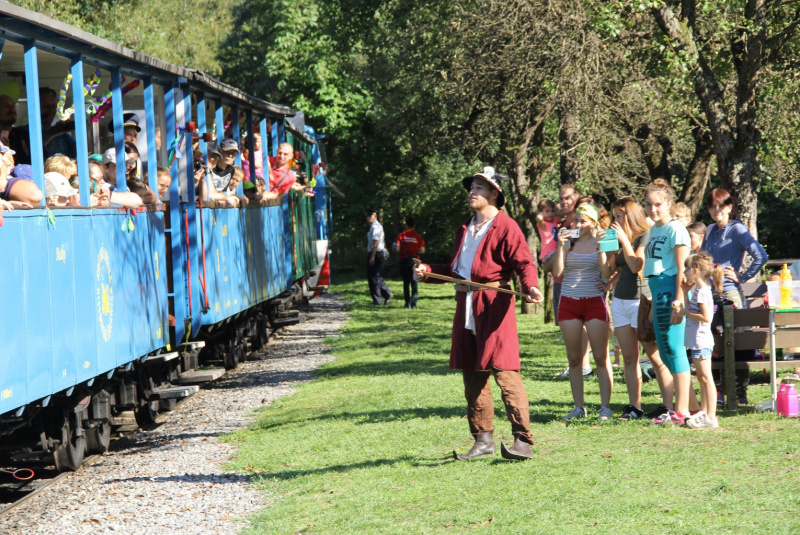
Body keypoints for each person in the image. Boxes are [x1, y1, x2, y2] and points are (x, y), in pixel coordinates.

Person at [414, 167, 543, 460]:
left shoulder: (506, 226)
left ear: (495, 194)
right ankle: (482, 439)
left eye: (480, 188)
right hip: (466, 306)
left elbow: (524, 263)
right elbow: (457, 271)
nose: (473, 192)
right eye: (472, 187)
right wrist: (428, 272)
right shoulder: (465, 228)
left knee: (505, 371)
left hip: (494, 304)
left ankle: (522, 440)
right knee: (472, 372)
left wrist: (531, 286)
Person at [702, 188, 768, 405]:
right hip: (710, 292)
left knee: (738, 342)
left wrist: (742, 277)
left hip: (730, 292)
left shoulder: (737, 229)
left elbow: (760, 256)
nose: (716, 210)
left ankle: (740, 393)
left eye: (720, 205)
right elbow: (702, 260)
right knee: (713, 342)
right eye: (712, 206)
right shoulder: (710, 230)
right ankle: (718, 392)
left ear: (729, 207)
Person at [553, 203, 614, 420]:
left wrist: (601, 249)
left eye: (583, 220)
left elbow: (607, 272)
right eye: (576, 219)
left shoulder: (604, 239)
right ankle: (578, 407)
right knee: (574, 358)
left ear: (594, 222)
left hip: (594, 302)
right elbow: (558, 272)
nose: (577, 223)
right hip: (569, 301)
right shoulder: (569, 240)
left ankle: (605, 407)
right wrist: (561, 246)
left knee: (600, 357)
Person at [643, 179, 692, 424]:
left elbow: (682, 270)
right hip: (657, 292)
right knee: (664, 351)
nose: (653, 209)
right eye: (649, 204)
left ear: (669, 204)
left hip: (672, 292)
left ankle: (681, 412)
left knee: (675, 349)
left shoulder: (676, 229)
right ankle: (683, 408)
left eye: (658, 204)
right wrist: (653, 304)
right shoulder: (654, 230)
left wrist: (678, 303)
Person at [675, 252, 723, 429]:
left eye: (687, 269)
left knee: (706, 378)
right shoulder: (698, 291)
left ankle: (711, 417)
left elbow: (705, 317)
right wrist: (686, 294)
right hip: (696, 341)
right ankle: (704, 412)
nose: (685, 272)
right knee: (702, 379)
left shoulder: (703, 292)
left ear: (695, 271)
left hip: (701, 341)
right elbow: (692, 312)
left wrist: (684, 312)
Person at [394, 216, 426, 309]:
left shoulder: (401, 235)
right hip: (415, 260)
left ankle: (407, 302)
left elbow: (397, 249)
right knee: (414, 281)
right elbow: (422, 250)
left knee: (406, 282)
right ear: (414, 225)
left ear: (406, 224)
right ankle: (414, 303)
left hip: (403, 259)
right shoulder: (418, 236)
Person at [366, 208, 393, 306]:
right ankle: (386, 293)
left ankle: (378, 301)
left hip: (376, 253)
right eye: (367, 216)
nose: (368, 217)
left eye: (370, 216)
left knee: (373, 278)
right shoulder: (374, 226)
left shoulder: (375, 227)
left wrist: (372, 257)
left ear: (375, 217)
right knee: (376, 276)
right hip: (378, 252)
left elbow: (376, 242)